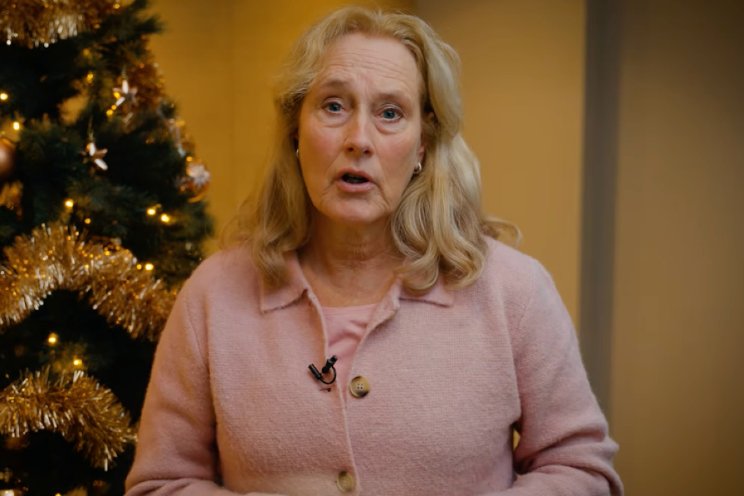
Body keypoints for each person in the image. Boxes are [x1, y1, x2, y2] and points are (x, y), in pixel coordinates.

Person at [125, 6, 623, 495]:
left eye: (390, 113)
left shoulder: (515, 293)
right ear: (296, 131)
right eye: (334, 106)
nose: (358, 140)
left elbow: (581, 470)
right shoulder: (213, 296)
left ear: (422, 144)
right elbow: (160, 483)